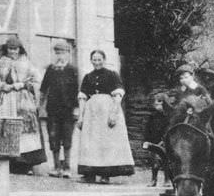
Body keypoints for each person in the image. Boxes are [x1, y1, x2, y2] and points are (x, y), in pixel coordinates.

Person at [0, 36, 46, 174]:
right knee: (7, 128)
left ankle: (27, 164)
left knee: (25, 129)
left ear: (20, 49)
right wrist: (2, 86)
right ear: (6, 49)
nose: (13, 52)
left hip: (23, 100)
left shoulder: (27, 63)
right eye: (10, 49)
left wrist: (24, 84)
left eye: (15, 49)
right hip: (6, 100)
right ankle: (10, 163)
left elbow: (38, 81)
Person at [75, 49, 134, 184]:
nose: (96, 62)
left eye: (99, 59)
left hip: (107, 110)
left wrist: (113, 114)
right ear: (91, 61)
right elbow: (83, 98)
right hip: (92, 115)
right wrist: (81, 117)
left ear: (104, 60)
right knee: (90, 143)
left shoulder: (112, 75)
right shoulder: (88, 77)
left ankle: (105, 174)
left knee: (106, 143)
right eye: (94, 60)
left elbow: (118, 95)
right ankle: (89, 174)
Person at [39, 41, 79, 178]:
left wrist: (76, 109)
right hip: (53, 110)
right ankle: (56, 167)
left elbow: (78, 92)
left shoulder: (73, 70)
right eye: (57, 53)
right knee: (53, 138)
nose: (60, 56)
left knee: (67, 139)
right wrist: (41, 107)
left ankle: (67, 167)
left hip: (68, 110)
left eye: (62, 52)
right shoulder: (50, 69)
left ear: (68, 54)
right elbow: (43, 90)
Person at [145, 92, 170, 187]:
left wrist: (163, 140)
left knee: (166, 161)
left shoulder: (168, 117)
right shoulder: (152, 116)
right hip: (154, 142)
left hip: (165, 143)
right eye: (155, 101)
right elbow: (147, 129)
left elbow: (168, 129)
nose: (156, 103)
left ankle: (167, 180)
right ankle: (153, 179)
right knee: (154, 162)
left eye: (159, 101)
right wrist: (147, 140)